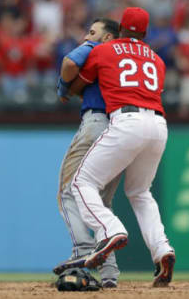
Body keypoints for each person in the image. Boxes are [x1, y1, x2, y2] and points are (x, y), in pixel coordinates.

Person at [66, 7, 175, 287]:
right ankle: (162, 249)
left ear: (122, 29)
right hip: (159, 125)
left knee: (81, 183)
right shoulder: (157, 60)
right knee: (140, 193)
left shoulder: (105, 50)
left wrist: (66, 87)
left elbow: (78, 84)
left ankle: (111, 230)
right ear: (145, 32)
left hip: (126, 121)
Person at [53, 18, 122, 288]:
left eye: (93, 32)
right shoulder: (128, 58)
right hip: (121, 129)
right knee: (101, 202)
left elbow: (69, 64)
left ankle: (83, 253)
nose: (86, 36)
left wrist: (63, 85)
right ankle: (109, 274)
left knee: (69, 192)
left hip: (96, 123)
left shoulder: (97, 49)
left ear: (107, 38)